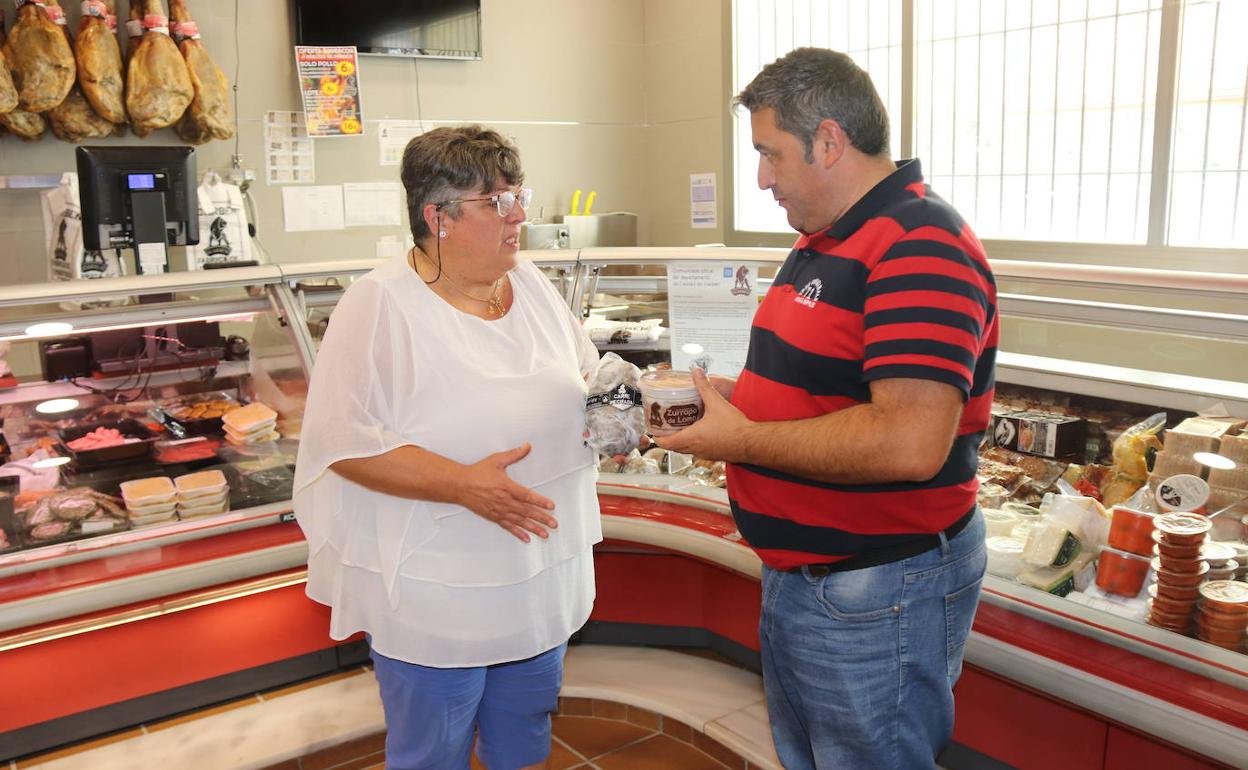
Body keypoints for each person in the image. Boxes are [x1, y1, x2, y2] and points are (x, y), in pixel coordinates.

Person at [656, 48, 997, 769]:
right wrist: (720, 402)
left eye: (770, 154)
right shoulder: (823, 240)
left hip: (877, 591)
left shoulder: (919, 244)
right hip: (811, 581)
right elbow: (815, 389)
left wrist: (738, 439)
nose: (762, 178)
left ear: (830, 141)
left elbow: (908, 442)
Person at [293, 125, 603, 770]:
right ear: (437, 217)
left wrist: (623, 416)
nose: (520, 216)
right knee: (431, 753)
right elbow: (340, 442)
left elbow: (589, 382)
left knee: (523, 741)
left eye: (518, 195)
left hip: (537, 578)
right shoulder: (379, 303)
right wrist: (464, 484)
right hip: (438, 588)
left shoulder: (535, 288)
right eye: (495, 202)